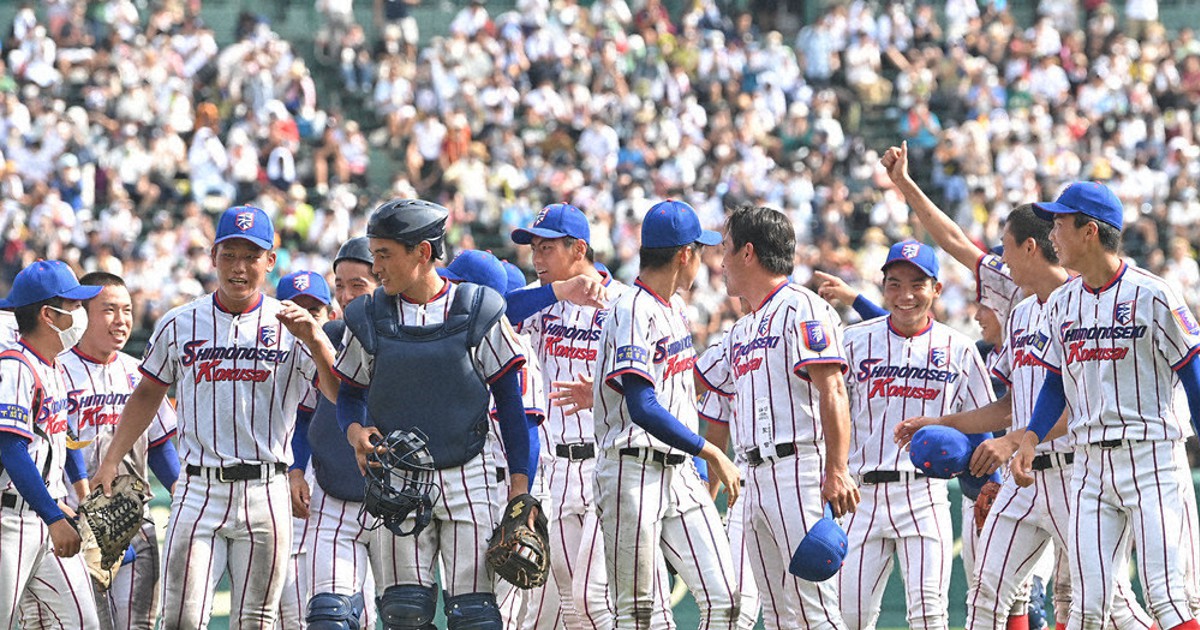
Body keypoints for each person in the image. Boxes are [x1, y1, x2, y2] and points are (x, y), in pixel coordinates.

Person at [892, 205, 1161, 630]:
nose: (1003, 260)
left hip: (1081, 475)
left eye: (1008, 249)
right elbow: (1008, 406)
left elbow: (1082, 406)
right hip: (1025, 479)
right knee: (984, 593)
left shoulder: (1084, 302)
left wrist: (1011, 440)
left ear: (1030, 248)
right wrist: (943, 421)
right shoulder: (1020, 314)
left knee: (1108, 608)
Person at [92, 205, 338, 629]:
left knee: (256, 621)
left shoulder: (291, 325)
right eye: (229, 255)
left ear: (269, 261)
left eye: (250, 256)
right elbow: (148, 391)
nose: (238, 267)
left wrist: (316, 339)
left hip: (268, 486)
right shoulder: (179, 321)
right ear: (212, 257)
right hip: (199, 484)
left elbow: (336, 394)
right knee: (181, 619)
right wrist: (112, 458)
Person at [334, 198, 539, 628]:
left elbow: (510, 404)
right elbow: (349, 394)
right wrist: (354, 431)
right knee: (403, 613)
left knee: (475, 617)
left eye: (385, 254)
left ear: (423, 252)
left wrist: (519, 490)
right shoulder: (368, 316)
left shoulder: (479, 309)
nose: (376, 268)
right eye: (374, 255)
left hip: (471, 473)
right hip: (399, 478)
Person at [1011, 182, 1200, 630]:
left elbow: (1193, 373)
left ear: (1089, 231)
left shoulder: (1154, 294)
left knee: (1169, 598)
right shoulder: (1061, 303)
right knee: (1087, 607)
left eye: (1059, 223)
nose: (1052, 232)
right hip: (1090, 464)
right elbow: (1055, 382)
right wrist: (1031, 438)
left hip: (1152, 455)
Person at [694, 205, 858, 629]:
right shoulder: (741, 328)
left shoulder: (800, 306)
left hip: (798, 469)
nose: (721, 261)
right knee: (781, 615)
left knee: (813, 611)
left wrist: (836, 470)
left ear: (748, 253)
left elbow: (833, 387)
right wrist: (605, 388)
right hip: (754, 478)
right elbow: (687, 378)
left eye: (726, 249)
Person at [592, 198, 742, 628]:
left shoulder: (672, 306)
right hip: (631, 472)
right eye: (701, 250)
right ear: (684, 254)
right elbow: (642, 406)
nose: (705, 261)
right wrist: (710, 453)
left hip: (679, 473)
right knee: (640, 616)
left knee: (728, 600)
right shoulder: (632, 308)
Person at [837, 240, 996, 629]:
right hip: (862, 493)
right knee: (850, 616)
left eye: (917, 284)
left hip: (925, 493)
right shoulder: (853, 341)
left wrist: (990, 485)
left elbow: (985, 421)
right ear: (883, 287)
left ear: (936, 288)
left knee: (929, 616)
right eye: (894, 284)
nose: (905, 295)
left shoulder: (958, 347)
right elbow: (830, 415)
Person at [508, 202, 628, 629]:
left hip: (603, 461)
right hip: (554, 469)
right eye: (534, 250)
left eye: (546, 249)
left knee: (594, 598)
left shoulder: (622, 303)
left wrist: (600, 395)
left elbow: (655, 389)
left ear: (578, 248)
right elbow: (497, 313)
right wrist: (560, 290)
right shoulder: (540, 300)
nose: (537, 260)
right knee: (569, 603)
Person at [57, 271, 179, 630]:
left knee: (137, 625)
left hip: (133, 519)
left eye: (127, 310)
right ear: (82, 314)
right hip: (74, 522)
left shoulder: (139, 373)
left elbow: (158, 445)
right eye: (109, 310)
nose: (122, 320)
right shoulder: (58, 370)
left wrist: (179, 492)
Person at [0, 260, 100, 628]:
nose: (81, 312)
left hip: (45, 516)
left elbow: (63, 440)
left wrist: (76, 501)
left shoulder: (53, 366)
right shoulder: (15, 367)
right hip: (10, 520)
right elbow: (10, 448)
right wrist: (54, 515)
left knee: (82, 622)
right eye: (73, 306)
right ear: (48, 314)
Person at [291, 238, 381, 629]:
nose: (345, 295)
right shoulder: (329, 332)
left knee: (404, 613)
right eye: (339, 286)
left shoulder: (409, 334)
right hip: (332, 492)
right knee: (329, 617)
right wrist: (296, 467)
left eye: (357, 285)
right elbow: (305, 411)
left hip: (393, 499)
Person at [276, 269, 334, 630]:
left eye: (314, 309)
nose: (304, 316)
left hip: (334, 487)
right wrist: (296, 471)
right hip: (281, 484)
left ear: (330, 314)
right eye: (295, 308)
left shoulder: (338, 353)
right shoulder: (268, 357)